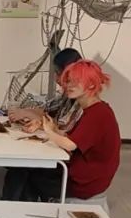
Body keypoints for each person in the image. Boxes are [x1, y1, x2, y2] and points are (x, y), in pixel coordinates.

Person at [19, 60, 120, 203]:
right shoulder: (95, 110)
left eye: (76, 82)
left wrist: (49, 131)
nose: (69, 85)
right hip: (82, 174)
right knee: (27, 171)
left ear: (91, 84)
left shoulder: (98, 114)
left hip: (85, 182)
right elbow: (74, 138)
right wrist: (50, 128)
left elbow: (70, 145)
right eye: (68, 81)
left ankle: (22, 211)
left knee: (26, 175)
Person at [2, 48, 83, 200]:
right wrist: (36, 119)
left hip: (72, 170)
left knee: (22, 168)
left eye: (59, 74)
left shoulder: (89, 109)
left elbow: (69, 141)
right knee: (20, 167)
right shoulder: (70, 98)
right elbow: (49, 111)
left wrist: (43, 125)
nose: (57, 80)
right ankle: (17, 207)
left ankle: (13, 207)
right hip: (64, 156)